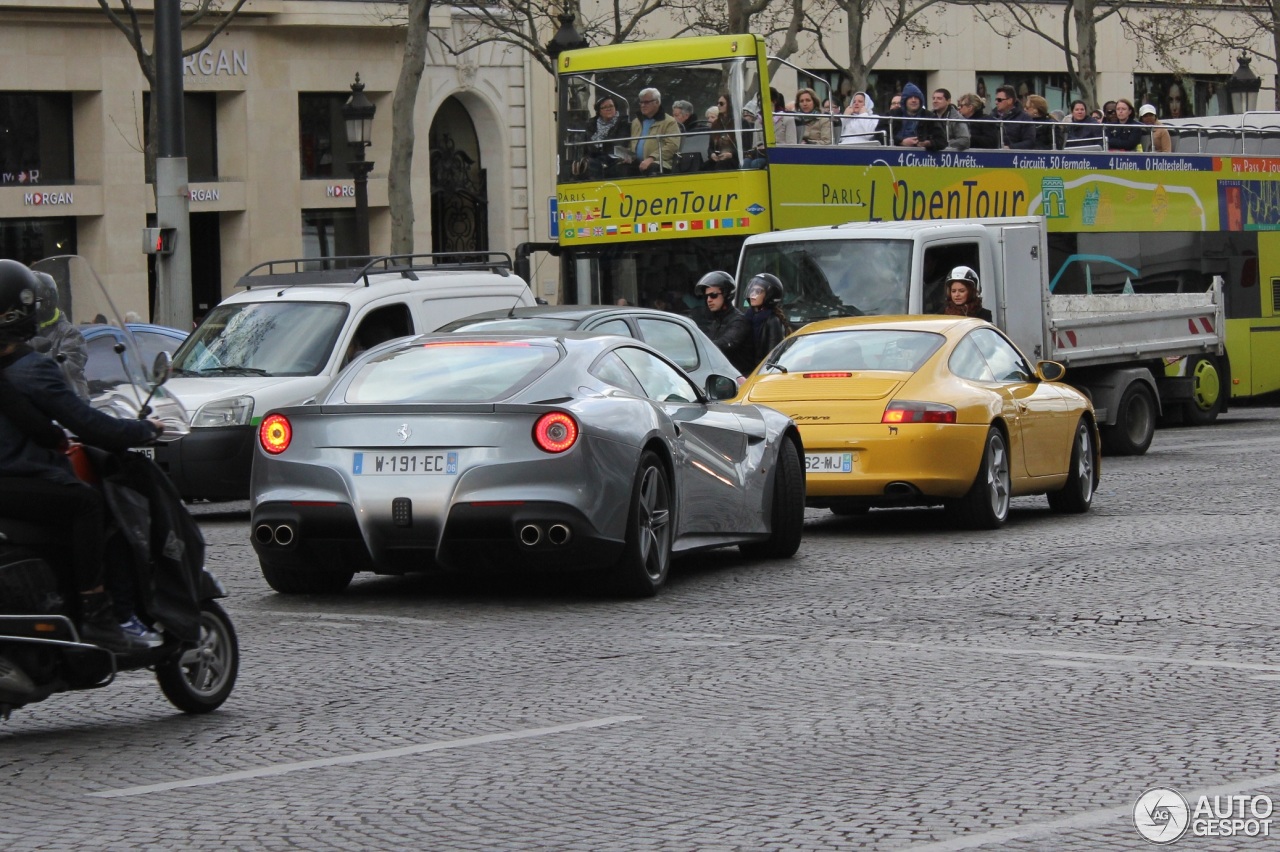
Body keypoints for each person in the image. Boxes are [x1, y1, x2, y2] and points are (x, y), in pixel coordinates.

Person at [0, 259, 164, 655]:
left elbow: (29, 419)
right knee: (90, 506)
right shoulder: (30, 368)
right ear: (24, 309)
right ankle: (100, 614)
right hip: (15, 482)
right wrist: (145, 430)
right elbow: (90, 425)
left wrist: (51, 434)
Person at [30, 271, 90, 400]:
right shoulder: (27, 331)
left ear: (47, 303)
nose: (29, 310)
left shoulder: (69, 333)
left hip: (70, 399)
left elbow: (68, 366)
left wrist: (28, 369)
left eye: (33, 305)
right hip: (40, 399)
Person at [693, 271, 753, 376]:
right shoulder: (716, 320)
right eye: (706, 296)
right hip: (723, 376)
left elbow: (725, 343)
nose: (709, 300)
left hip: (740, 379)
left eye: (713, 295)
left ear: (726, 295)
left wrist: (699, 347)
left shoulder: (739, 321)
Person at [576, 95, 630, 180]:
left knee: (594, 165)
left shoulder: (623, 122)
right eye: (604, 107)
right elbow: (587, 145)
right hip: (595, 156)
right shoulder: (591, 124)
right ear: (599, 111)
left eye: (611, 106)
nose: (608, 109)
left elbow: (619, 143)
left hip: (614, 156)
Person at [629, 87, 680, 176]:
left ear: (657, 102)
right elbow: (631, 143)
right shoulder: (636, 122)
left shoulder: (669, 122)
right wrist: (628, 155)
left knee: (651, 168)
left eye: (646, 102)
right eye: (641, 102)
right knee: (620, 168)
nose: (643, 105)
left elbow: (672, 146)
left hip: (660, 161)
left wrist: (651, 158)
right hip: (636, 162)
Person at [744, 273, 789, 367]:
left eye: (758, 291)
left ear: (770, 295)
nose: (753, 294)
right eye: (752, 290)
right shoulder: (748, 316)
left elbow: (773, 356)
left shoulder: (773, 321)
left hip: (760, 371)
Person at [745, 88, 796, 168]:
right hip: (762, 154)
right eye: (759, 101)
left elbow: (791, 145)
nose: (761, 104)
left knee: (756, 163)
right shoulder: (758, 121)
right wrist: (760, 147)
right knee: (746, 163)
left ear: (774, 101)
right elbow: (755, 144)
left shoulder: (788, 119)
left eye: (764, 100)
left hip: (779, 155)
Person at [993, 85, 1036, 149]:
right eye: (996, 99)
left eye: (999, 100)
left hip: (1015, 156)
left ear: (1010, 100)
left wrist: (1010, 147)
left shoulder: (1024, 118)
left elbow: (1030, 142)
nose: (996, 102)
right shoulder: (992, 117)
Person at [888, 82, 929, 147]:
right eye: (910, 97)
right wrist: (901, 142)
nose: (913, 100)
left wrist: (927, 143)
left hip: (923, 155)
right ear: (904, 100)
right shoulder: (891, 115)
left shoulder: (929, 116)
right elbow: (879, 136)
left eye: (916, 97)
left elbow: (941, 140)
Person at [705, 93, 739, 170]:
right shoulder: (716, 124)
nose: (718, 106)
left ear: (730, 104)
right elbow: (710, 147)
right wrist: (712, 154)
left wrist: (731, 154)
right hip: (718, 158)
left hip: (734, 159)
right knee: (702, 168)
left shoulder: (740, 123)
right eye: (717, 103)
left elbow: (746, 146)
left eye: (721, 103)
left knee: (721, 166)